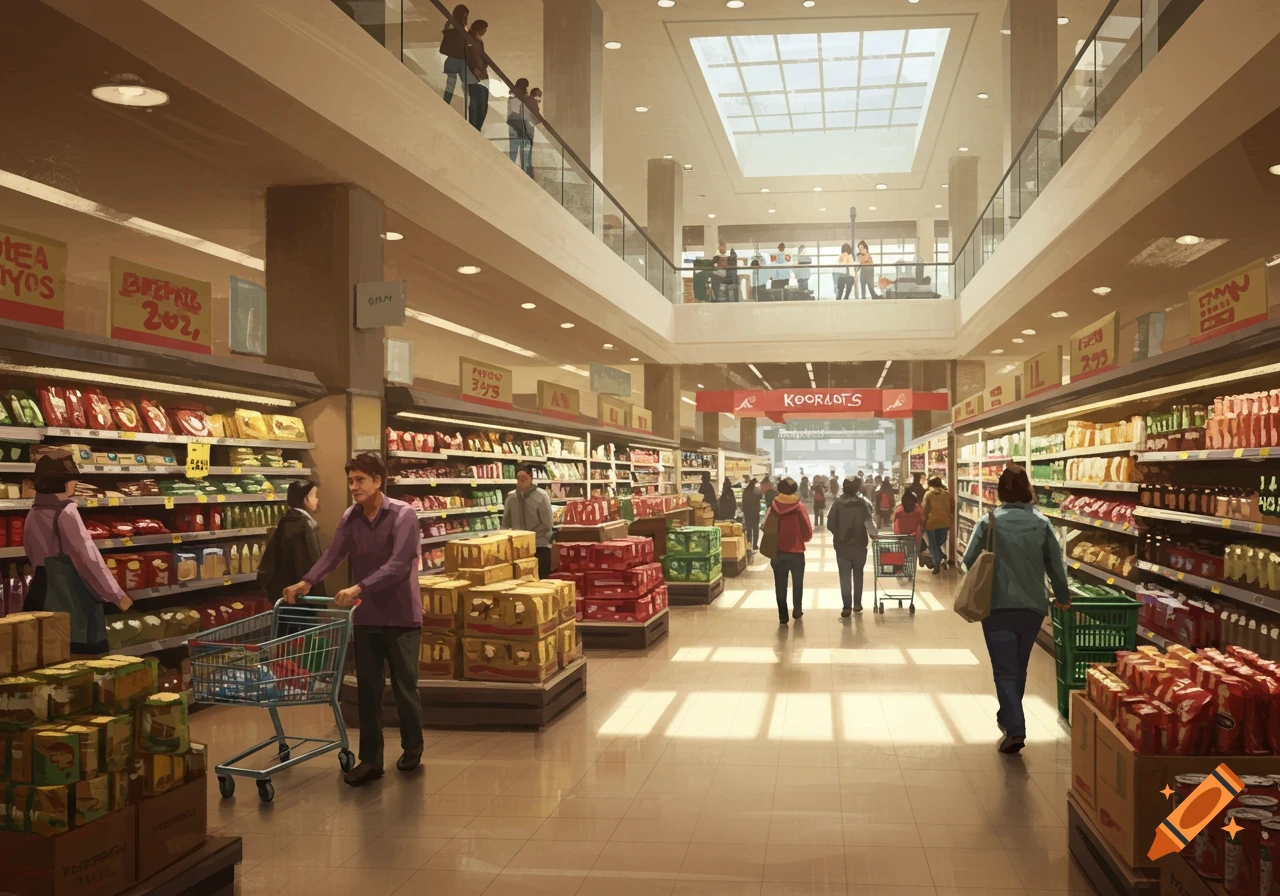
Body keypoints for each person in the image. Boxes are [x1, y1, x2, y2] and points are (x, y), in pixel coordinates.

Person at [283, 454, 423, 787]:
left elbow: (400, 565)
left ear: (378, 480)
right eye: (351, 481)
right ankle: (371, 760)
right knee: (368, 690)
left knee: (405, 689)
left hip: (402, 615)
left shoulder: (403, 515)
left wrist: (360, 586)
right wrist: (307, 580)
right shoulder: (351, 517)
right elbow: (334, 554)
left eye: (361, 480)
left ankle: (413, 747)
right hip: (367, 616)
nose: (354, 487)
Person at [962, 466, 1070, 754]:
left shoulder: (989, 522)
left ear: (1000, 492)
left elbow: (968, 559)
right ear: (1028, 490)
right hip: (1033, 607)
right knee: (1018, 665)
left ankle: (1016, 727)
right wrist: (1062, 596)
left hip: (997, 605)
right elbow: (1056, 567)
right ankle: (1008, 715)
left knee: (1004, 669)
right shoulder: (1042, 523)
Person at [22, 453, 132, 652]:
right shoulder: (67, 512)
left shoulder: (33, 512)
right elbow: (87, 559)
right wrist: (116, 595)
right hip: (71, 599)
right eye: (72, 479)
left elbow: (30, 551)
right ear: (63, 483)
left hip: (40, 593)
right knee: (81, 662)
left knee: (46, 657)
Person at [258, 479, 326, 601]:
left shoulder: (284, 521)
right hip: (303, 594)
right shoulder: (306, 525)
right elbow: (314, 561)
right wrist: (320, 597)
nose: (317, 499)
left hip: (282, 592)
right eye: (314, 495)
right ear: (305, 499)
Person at [763, 477, 812, 624]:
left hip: (778, 552)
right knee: (797, 583)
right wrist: (801, 538)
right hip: (796, 552)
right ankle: (797, 610)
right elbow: (807, 532)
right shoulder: (799, 507)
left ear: (779, 490)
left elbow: (766, 526)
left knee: (780, 584)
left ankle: (783, 615)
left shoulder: (773, 507)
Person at [827, 477, 876, 616]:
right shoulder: (863, 504)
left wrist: (839, 533)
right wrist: (874, 535)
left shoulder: (837, 503)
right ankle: (857, 604)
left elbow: (830, 523)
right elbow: (869, 522)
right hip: (860, 545)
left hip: (842, 546)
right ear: (857, 488)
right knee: (858, 574)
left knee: (844, 576)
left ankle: (846, 606)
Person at [503, 464, 554, 576]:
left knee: (541, 580)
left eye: (524, 478)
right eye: (518, 478)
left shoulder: (541, 496)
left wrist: (529, 538)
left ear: (531, 478)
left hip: (540, 547)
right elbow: (505, 523)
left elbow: (547, 524)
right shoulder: (511, 497)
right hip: (518, 549)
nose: (521, 481)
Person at [922, 476, 955, 574]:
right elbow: (952, 507)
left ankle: (937, 563)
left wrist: (923, 521)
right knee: (937, 543)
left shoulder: (928, 494)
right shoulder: (947, 494)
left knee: (933, 544)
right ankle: (941, 556)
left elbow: (925, 509)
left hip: (931, 522)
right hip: (945, 522)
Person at [440, 4, 470, 106]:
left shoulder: (450, 24)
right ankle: (468, 104)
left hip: (452, 58)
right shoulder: (459, 26)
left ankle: (446, 102)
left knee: (451, 82)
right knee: (465, 82)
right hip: (460, 58)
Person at [465, 20, 490, 132]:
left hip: (482, 76)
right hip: (473, 76)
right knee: (475, 105)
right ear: (479, 28)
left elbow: (482, 58)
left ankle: (477, 129)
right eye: (484, 28)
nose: (485, 31)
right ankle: (474, 129)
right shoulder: (468, 40)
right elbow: (469, 58)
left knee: (482, 106)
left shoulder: (479, 42)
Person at [507, 78, 535, 175]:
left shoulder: (514, 95)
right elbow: (515, 113)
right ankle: (522, 174)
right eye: (525, 86)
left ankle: (515, 172)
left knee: (515, 151)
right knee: (523, 151)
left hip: (516, 126)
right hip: (518, 126)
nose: (526, 88)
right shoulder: (516, 96)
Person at [893, 490, 926, 559]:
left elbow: (894, 519)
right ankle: (918, 554)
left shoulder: (899, 509)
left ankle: (904, 559)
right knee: (913, 549)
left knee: (902, 550)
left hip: (901, 534)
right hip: (914, 535)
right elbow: (922, 521)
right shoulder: (918, 510)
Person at [742, 478, 762, 549]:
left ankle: (749, 544)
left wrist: (744, 511)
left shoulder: (745, 491)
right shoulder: (758, 490)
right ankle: (755, 545)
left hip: (747, 512)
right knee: (755, 528)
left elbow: (743, 501)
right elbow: (760, 497)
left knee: (749, 528)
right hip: (755, 512)